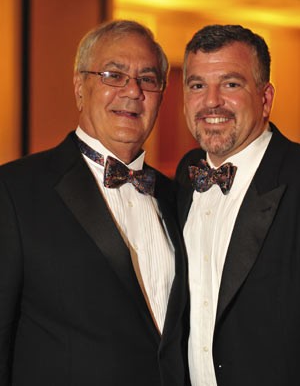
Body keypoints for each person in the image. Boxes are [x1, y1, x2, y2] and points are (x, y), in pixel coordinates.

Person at [0, 20, 188, 386]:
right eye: (113, 75)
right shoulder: (14, 192)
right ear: (79, 88)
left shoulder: (178, 198)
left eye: (147, 79)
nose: (132, 91)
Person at [176, 24, 300, 386]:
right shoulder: (184, 178)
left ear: (265, 98)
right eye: (198, 85)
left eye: (231, 84)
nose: (211, 101)